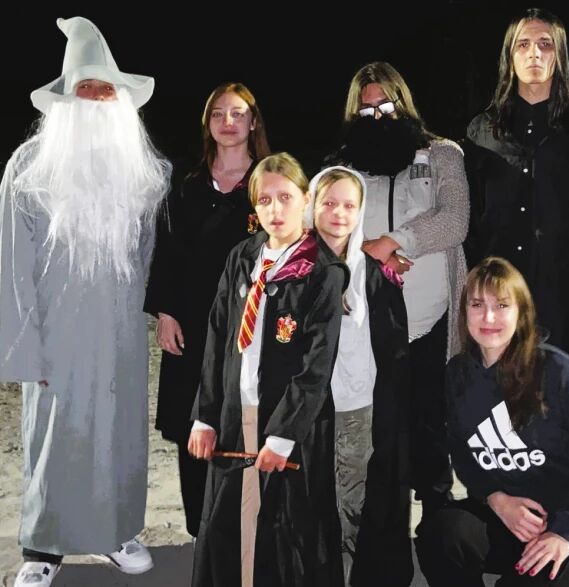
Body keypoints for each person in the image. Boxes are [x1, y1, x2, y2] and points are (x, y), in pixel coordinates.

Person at [0, 16, 171, 587]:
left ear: (120, 100)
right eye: (85, 89)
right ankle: (43, 546)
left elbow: (151, 258)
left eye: (105, 90)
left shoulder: (144, 173)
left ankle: (115, 531)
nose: (96, 99)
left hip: (118, 335)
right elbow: (11, 266)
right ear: (65, 99)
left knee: (117, 433)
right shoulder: (30, 168)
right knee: (55, 437)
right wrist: (25, 351)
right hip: (56, 335)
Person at [188, 153, 347, 587]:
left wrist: (283, 435)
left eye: (285, 197)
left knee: (283, 533)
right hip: (235, 414)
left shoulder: (322, 272)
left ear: (306, 199)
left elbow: (317, 365)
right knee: (228, 524)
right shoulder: (243, 257)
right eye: (264, 200)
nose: (275, 210)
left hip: (286, 422)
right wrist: (205, 415)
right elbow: (218, 336)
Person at [418, 257, 569, 586]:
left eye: (502, 305)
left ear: (521, 312)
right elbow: (464, 454)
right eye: (477, 304)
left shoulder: (558, 371)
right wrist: (496, 499)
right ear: (464, 311)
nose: (489, 317)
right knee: (442, 534)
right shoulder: (458, 374)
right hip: (508, 517)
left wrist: (565, 533)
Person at [329, 61, 469, 522]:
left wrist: (395, 241)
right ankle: (381, 534)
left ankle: (439, 531)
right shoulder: (341, 164)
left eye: (386, 105)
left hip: (433, 319)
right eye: (366, 109)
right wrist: (370, 255)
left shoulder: (442, 153)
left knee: (432, 428)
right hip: (370, 322)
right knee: (380, 434)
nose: (378, 115)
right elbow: (328, 230)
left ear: (403, 102)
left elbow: (455, 219)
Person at [143, 82, 270, 537]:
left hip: (252, 326)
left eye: (237, 113)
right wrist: (165, 313)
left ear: (253, 122)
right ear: (207, 124)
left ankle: (250, 528)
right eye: (218, 114)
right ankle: (202, 531)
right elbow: (167, 250)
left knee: (246, 423)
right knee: (193, 424)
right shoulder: (187, 184)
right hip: (193, 324)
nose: (227, 122)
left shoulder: (269, 182)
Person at [463, 8, 569, 381]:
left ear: (559, 56)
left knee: (558, 395)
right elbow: (471, 220)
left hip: (560, 295)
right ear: (509, 56)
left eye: (545, 44)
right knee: (497, 397)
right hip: (498, 296)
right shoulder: (481, 132)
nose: (534, 54)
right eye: (523, 44)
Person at [309, 166, 414, 586]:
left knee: (355, 504)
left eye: (349, 205)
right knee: (315, 505)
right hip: (310, 414)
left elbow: (393, 346)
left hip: (358, 409)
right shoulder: (292, 268)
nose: (339, 213)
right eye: (329, 203)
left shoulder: (373, 270)